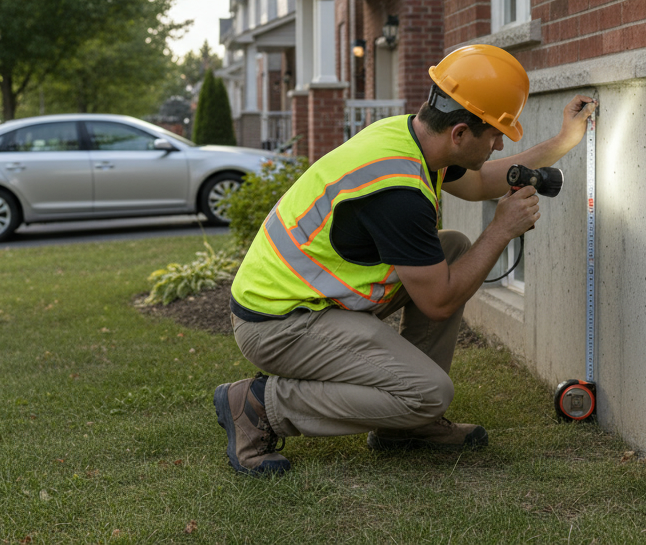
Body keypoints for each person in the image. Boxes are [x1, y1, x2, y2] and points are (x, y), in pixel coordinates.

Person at [214, 44, 597, 476]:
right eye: (494, 134)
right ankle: (259, 405)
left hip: (312, 300)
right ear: (459, 133)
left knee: (450, 247)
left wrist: (564, 141)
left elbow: (481, 182)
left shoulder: (412, 137)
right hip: (279, 325)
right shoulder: (397, 191)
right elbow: (439, 303)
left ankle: (406, 426)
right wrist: (500, 230)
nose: (497, 144)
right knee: (431, 392)